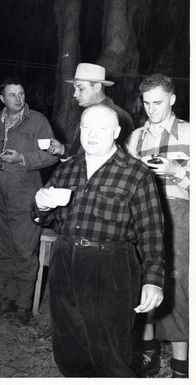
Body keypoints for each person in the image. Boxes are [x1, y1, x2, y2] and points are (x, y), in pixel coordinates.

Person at [32, 103, 164, 377]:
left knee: (111, 351)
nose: (92, 134)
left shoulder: (136, 173)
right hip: (65, 258)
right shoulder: (67, 169)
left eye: (101, 127)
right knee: (68, 346)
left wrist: (153, 280)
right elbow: (42, 216)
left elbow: (152, 231)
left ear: (116, 132)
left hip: (111, 265)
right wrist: (41, 206)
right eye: (86, 126)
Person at [125, 74, 189, 378]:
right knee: (144, 280)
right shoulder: (136, 138)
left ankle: (180, 364)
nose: (152, 110)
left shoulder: (190, 133)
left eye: (158, 103)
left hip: (180, 216)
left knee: (177, 286)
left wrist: (176, 171)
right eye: (147, 103)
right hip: (145, 217)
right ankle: (149, 354)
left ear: (172, 100)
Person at [0, 77, 58, 326]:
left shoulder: (37, 121)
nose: (18, 98)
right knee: (2, 247)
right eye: (12, 95)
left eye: (21, 93)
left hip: (24, 190)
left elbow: (51, 155)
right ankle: (9, 294)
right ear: (2, 98)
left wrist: (22, 158)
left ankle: (24, 303)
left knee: (24, 249)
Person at [49, 62, 134, 157]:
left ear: (97, 87)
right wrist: (63, 149)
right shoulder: (88, 114)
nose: (74, 94)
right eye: (75, 89)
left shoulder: (116, 116)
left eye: (80, 89)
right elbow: (84, 151)